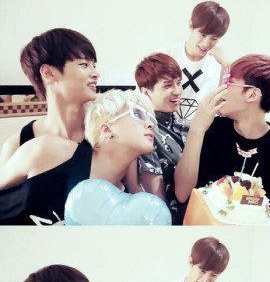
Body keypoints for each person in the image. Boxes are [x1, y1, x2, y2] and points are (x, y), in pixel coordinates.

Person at [0, 89, 157, 225]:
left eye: (151, 118)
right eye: (138, 114)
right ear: (106, 129)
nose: (150, 124)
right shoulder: (52, 150)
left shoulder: (121, 205)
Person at [174, 54, 270, 216]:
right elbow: (182, 193)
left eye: (228, 82)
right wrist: (196, 130)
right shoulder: (213, 128)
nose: (220, 89)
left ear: (252, 95)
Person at [0, 28, 99, 167]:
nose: (96, 74)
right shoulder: (16, 146)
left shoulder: (107, 134)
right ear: (48, 73)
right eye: (84, 65)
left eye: (94, 65)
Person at [133, 52, 190, 224]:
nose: (177, 91)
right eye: (167, 86)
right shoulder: (145, 132)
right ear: (145, 92)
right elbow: (156, 200)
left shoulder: (187, 126)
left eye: (178, 83)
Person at [166, 1, 230, 120]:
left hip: (200, 129)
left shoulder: (217, 65)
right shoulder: (166, 56)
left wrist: (225, 66)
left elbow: (220, 109)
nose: (206, 44)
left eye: (214, 39)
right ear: (191, 25)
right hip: (164, 128)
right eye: (203, 34)